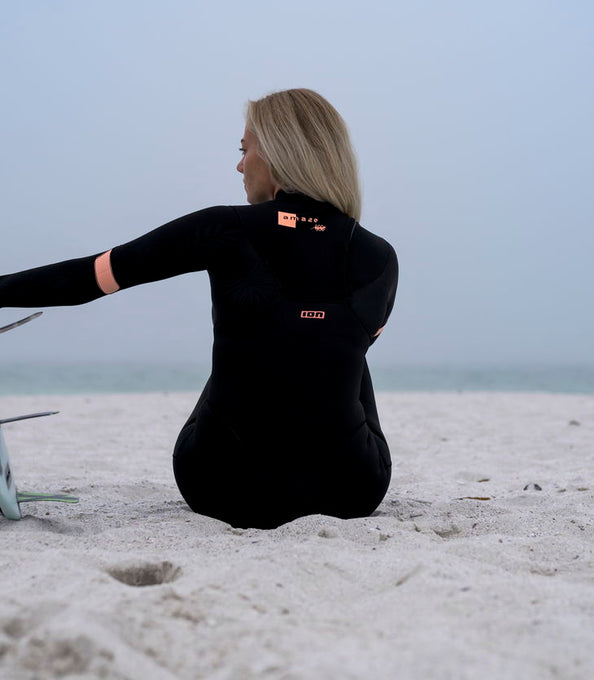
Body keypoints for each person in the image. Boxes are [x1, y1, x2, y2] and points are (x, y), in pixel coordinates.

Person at [0, 88, 398, 529]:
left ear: (278, 151)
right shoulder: (380, 256)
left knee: (272, 339)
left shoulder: (224, 228)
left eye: (244, 150)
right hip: (350, 489)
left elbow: (90, 278)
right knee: (335, 345)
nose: (240, 166)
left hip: (222, 484)